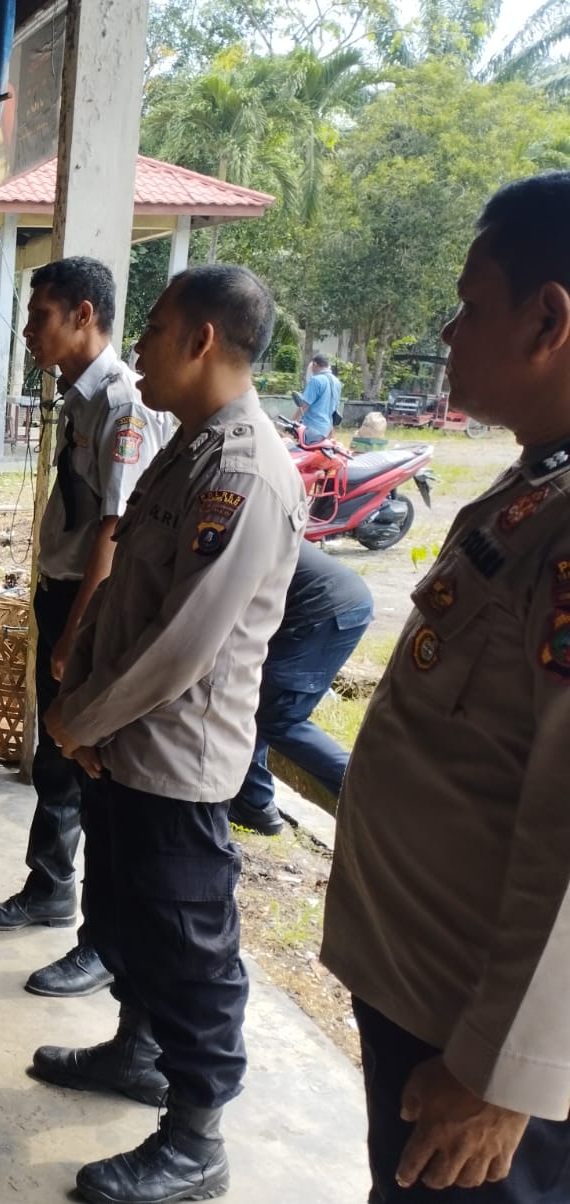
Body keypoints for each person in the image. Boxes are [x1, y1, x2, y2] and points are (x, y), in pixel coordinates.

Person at [322, 172, 570, 1202]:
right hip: (430, 997)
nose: (449, 331)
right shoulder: (539, 485)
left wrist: (505, 1076)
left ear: (547, 319)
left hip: (479, 1050)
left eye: (469, 305)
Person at [37, 265, 306, 1204]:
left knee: (191, 950)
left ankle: (196, 1138)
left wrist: (77, 717)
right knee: (127, 916)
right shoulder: (185, 447)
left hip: (175, 756)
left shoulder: (242, 471)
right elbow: (124, 590)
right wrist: (80, 696)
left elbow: (184, 643)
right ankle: (135, 1052)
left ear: (202, 340)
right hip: (122, 743)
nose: (139, 346)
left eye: (153, 329)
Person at [0, 258, 177, 1007]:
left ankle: (101, 944)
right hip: (62, 595)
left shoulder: (122, 404)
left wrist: (77, 633)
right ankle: (50, 888)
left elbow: (114, 533)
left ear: (84, 315)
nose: (28, 331)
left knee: (94, 770)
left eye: (40, 317)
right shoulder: (79, 396)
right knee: (59, 757)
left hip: (94, 609)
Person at [229, 539, 373, 836]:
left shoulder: (216, 537)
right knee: (255, 703)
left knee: (280, 718)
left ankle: (376, 801)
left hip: (323, 610)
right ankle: (253, 804)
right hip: (334, 601)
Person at [292, 353, 342, 443]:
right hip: (326, 429)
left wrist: (292, 421)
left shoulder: (316, 380)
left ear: (314, 364)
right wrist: (331, 427)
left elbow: (304, 405)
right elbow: (334, 408)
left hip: (311, 429)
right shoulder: (337, 382)